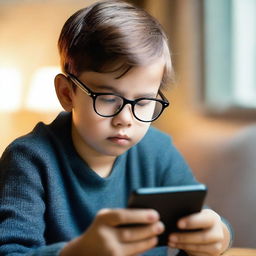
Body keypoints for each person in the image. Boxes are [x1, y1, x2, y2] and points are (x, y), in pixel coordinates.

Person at [0, 1, 232, 255]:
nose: (125, 119)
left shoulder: (158, 151)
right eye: (108, 99)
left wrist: (220, 234)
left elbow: (204, 220)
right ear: (67, 93)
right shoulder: (29, 159)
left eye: (143, 102)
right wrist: (79, 252)